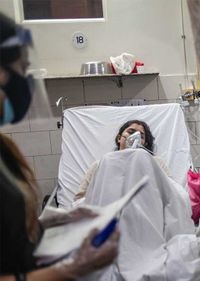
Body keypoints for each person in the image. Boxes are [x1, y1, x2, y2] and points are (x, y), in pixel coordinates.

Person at [0, 13, 119, 280]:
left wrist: (48, 225)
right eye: (22, 69)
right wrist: (72, 269)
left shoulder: (5, 152)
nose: (26, 81)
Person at [73, 119, 169, 201]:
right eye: (131, 132)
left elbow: (171, 195)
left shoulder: (156, 163)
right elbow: (80, 199)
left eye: (141, 136)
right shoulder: (100, 165)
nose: (136, 137)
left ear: (145, 143)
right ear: (119, 138)